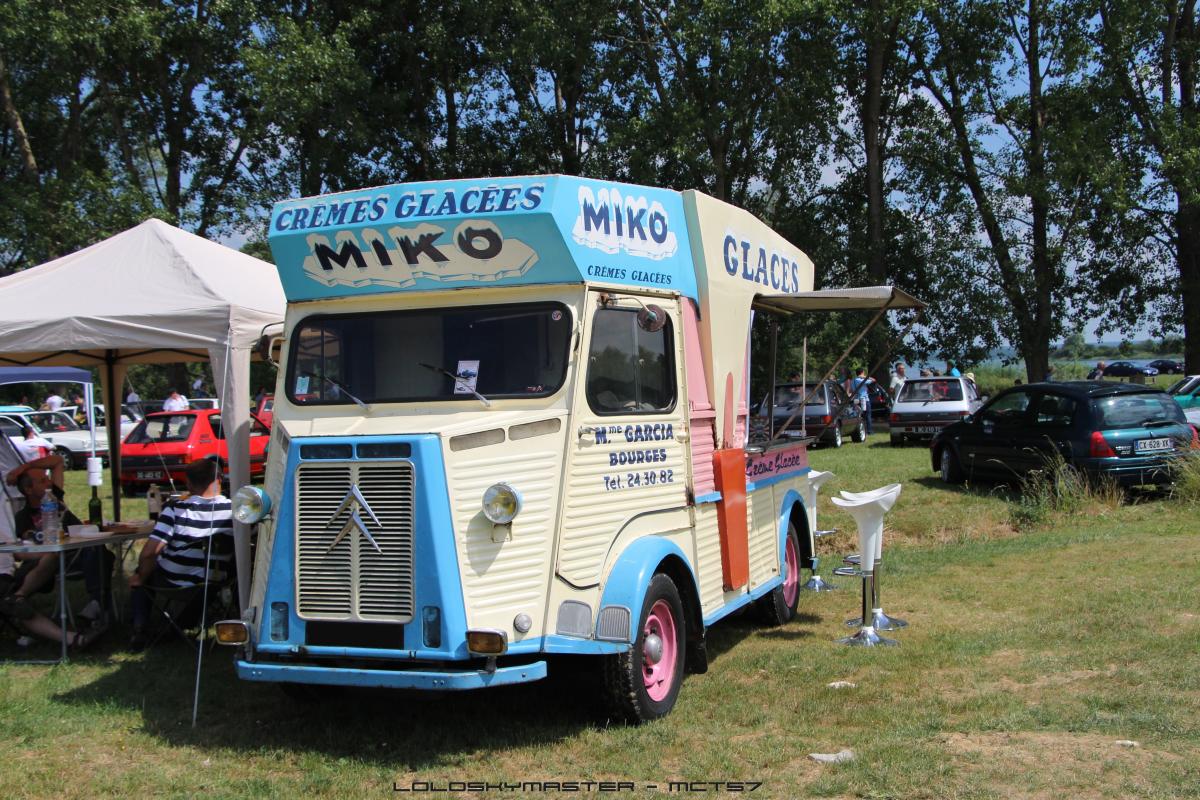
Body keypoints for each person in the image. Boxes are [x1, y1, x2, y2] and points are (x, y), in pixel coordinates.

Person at [129, 458, 234, 650]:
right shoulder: (235, 511)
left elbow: (150, 552)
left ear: (189, 484)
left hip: (174, 582)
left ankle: (139, 629)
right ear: (219, 479)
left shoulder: (176, 509)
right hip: (214, 583)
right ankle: (178, 626)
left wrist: (140, 577)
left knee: (143, 570)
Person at [5, 453, 114, 624]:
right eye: (42, 481)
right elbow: (23, 551)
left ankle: (97, 603)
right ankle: (99, 604)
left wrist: (23, 468)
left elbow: (57, 460)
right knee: (99, 552)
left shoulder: (54, 497)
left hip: (79, 551)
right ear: (29, 490)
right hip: (56, 560)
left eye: (47, 478)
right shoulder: (23, 517)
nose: (49, 483)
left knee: (98, 550)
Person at [850, 367, 876, 436]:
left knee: (858, 415)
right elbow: (873, 380)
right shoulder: (861, 380)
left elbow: (851, 390)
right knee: (867, 415)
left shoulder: (852, 380)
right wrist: (864, 377)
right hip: (863, 399)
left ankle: (858, 429)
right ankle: (869, 430)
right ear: (862, 372)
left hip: (856, 399)